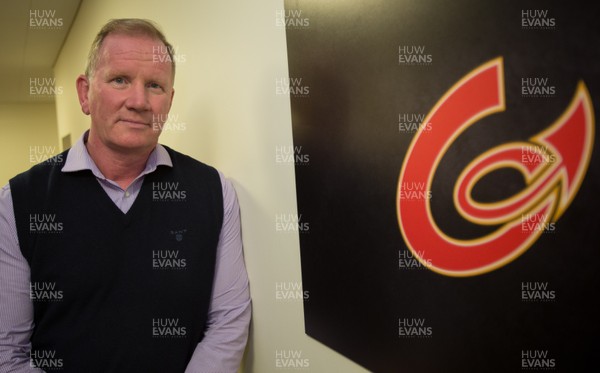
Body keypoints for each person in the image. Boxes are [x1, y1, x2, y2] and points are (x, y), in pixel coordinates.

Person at [0, 18, 251, 372]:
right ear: (85, 93)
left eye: (155, 86)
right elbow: (7, 352)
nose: (139, 101)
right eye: (120, 80)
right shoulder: (18, 202)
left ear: (170, 101)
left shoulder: (213, 192)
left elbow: (227, 321)